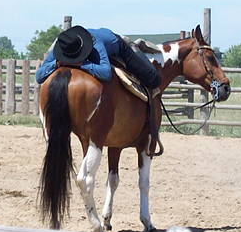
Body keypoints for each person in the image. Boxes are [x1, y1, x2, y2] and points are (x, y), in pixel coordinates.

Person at [35, 25, 163, 153]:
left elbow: (105, 72)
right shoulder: (61, 45)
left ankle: (151, 125)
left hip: (117, 44)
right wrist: (56, 64)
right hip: (83, 44)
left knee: (152, 78)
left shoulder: (96, 44)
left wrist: (82, 64)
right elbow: (39, 76)